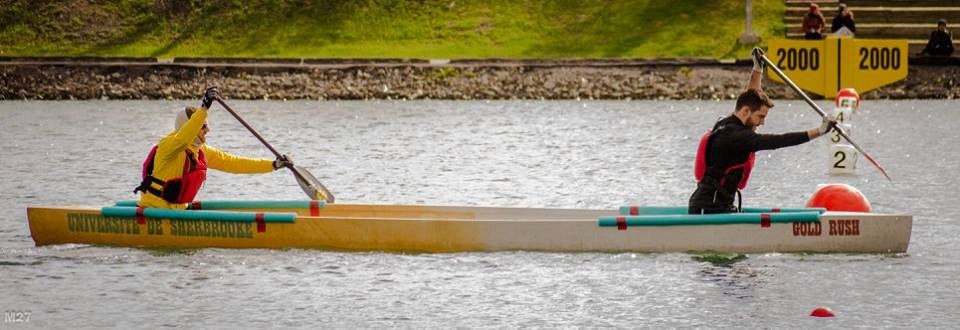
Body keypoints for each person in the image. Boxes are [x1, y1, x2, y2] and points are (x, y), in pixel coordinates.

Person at [688, 48, 837, 214]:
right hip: (709, 208)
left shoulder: (729, 122)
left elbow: (751, 95)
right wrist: (820, 131)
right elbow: (779, 141)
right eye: (760, 117)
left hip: (715, 205)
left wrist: (758, 67)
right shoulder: (737, 137)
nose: (763, 122)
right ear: (745, 112)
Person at [134, 87, 293, 209]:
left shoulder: (201, 151)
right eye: (203, 126)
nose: (207, 130)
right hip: (153, 210)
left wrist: (273, 165)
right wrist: (204, 108)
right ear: (189, 126)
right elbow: (183, 138)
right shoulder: (168, 145)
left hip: (178, 211)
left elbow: (235, 163)